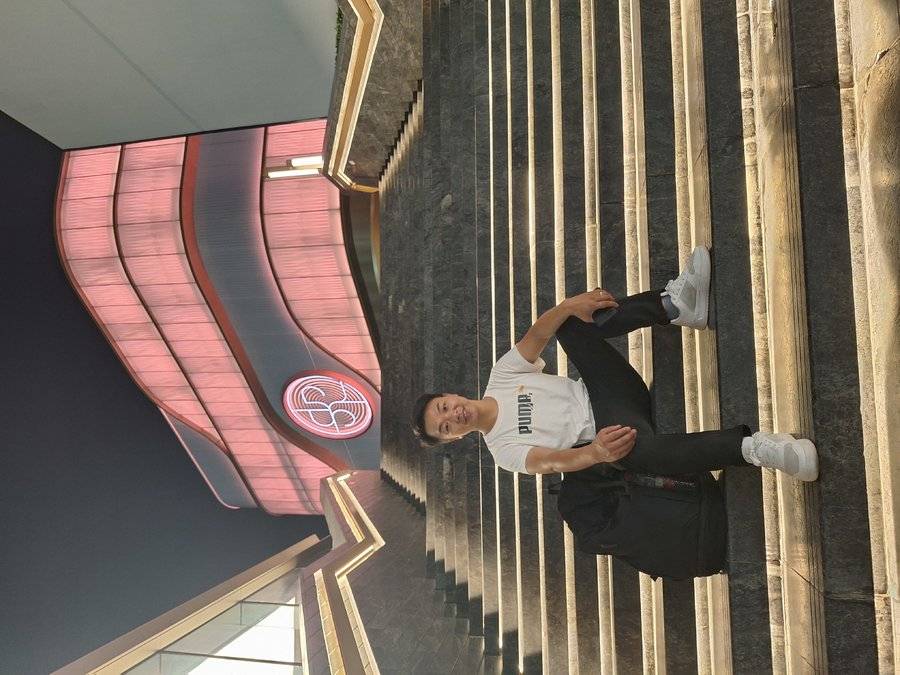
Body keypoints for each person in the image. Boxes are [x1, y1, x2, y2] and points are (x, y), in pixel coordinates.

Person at [411, 246, 818, 578]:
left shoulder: (501, 376)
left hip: (611, 390)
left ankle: (674, 305)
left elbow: (538, 334)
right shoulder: (503, 450)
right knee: (636, 450)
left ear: (450, 394)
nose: (453, 415)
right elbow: (551, 461)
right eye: (445, 427)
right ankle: (756, 449)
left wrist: (568, 305)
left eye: (444, 407)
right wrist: (596, 453)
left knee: (568, 323)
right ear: (454, 438)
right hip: (609, 435)